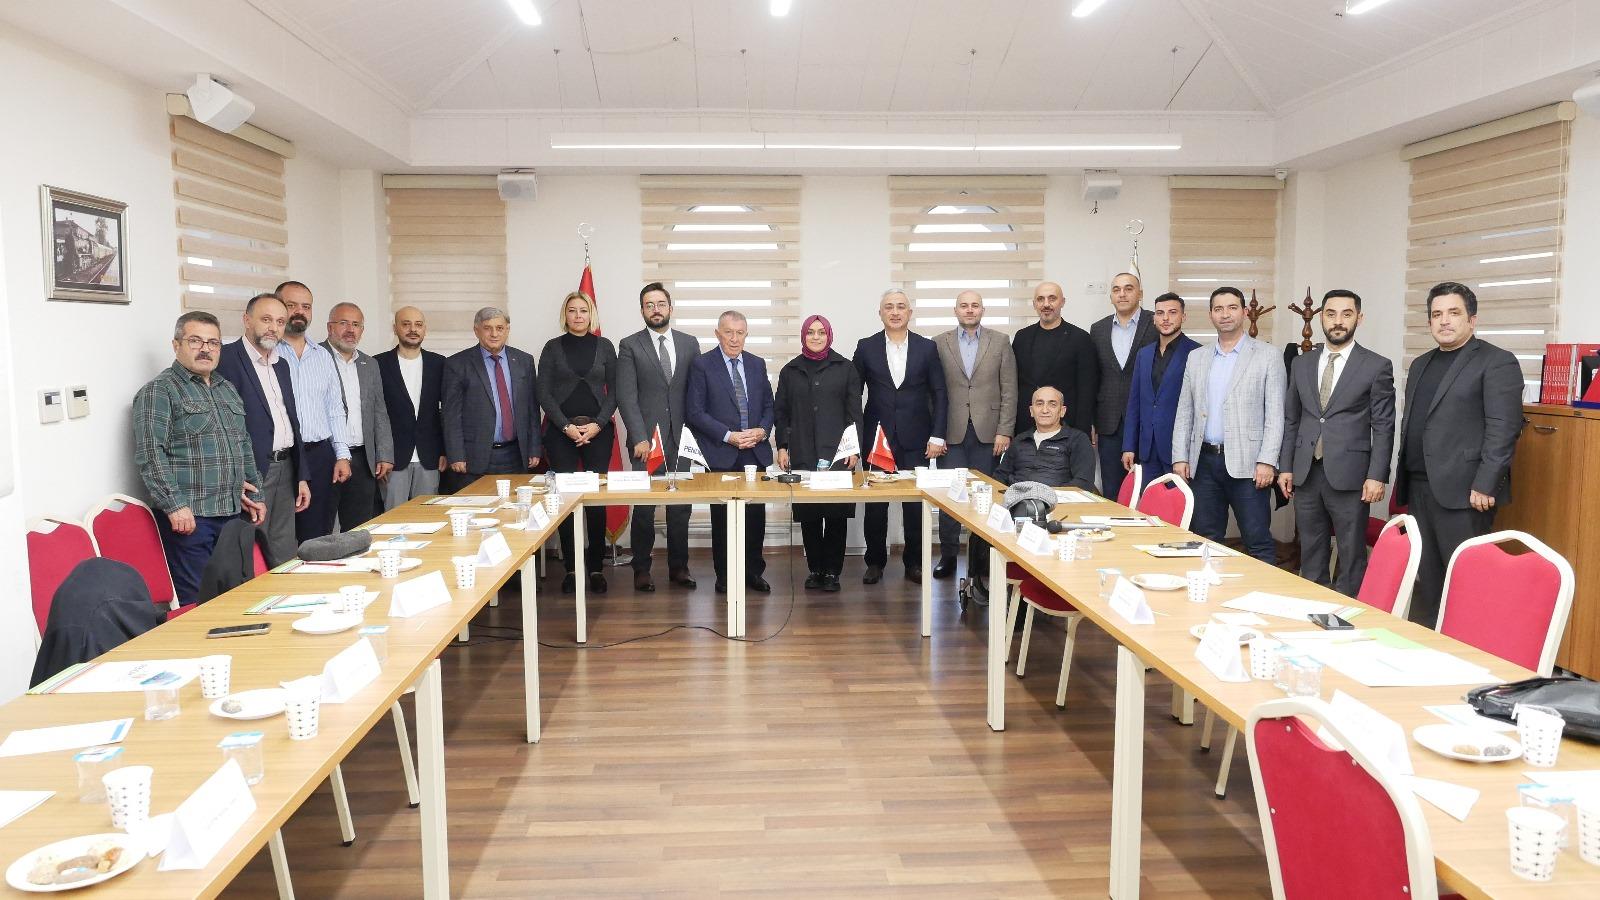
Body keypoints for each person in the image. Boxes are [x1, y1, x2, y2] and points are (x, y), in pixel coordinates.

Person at [1394, 281, 1523, 625]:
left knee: (1465, 583)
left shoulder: (1496, 362)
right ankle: (1428, 644)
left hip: (1466, 493)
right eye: (1437, 314)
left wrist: (1486, 482)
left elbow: (1504, 428)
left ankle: (1467, 646)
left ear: (1472, 319)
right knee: (1427, 581)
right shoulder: (1420, 364)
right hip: (1419, 487)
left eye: (1453, 312)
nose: (1444, 320)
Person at [132, 311, 267, 605]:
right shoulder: (159, 391)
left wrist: (256, 493)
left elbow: (243, 444)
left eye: (213, 343)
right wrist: (175, 506)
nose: (205, 349)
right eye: (195, 341)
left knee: (238, 597)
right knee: (200, 602)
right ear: (176, 345)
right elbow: (151, 455)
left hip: (232, 515)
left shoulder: (226, 389)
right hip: (192, 519)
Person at [1278, 290, 1396, 597]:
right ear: (1321, 318)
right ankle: (1314, 605)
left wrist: (1377, 475)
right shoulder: (1301, 364)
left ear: (1359, 318)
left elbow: (1384, 426)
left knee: (1350, 551)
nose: (1338, 321)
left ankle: (1349, 613)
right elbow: (1292, 419)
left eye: (1346, 314)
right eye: (1331, 314)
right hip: (1306, 471)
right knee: (1310, 547)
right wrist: (1286, 467)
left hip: (1351, 474)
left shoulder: (1376, 365)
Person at [1172, 286, 1286, 564]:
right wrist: (1180, 457)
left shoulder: (1268, 355)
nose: (1225, 314)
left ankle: (1262, 592)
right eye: (1218, 309)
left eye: (1232, 308)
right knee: (1206, 539)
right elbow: (1185, 410)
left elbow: (1275, 414)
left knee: (1257, 541)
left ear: (1244, 312)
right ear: (1211, 315)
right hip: (1203, 463)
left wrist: (1267, 461)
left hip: (1250, 465)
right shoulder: (1197, 357)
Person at [853, 289, 947, 585]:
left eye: (901, 307)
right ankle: (875, 562)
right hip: (877, 437)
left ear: (910, 312)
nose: (895, 312)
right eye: (889, 307)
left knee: (915, 505)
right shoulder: (866, 347)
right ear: (880, 313)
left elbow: (940, 393)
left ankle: (914, 563)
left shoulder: (927, 347)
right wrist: (853, 439)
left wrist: (938, 435)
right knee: (875, 505)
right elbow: (853, 394)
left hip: (917, 438)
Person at [215, 293, 309, 565]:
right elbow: (222, 426)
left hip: (286, 468)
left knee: (285, 549)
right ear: (247, 320)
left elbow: (291, 421)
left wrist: (301, 475)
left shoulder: (282, 364)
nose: (273, 328)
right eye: (266, 319)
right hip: (251, 471)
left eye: (280, 322)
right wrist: (235, 477)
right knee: (251, 553)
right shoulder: (225, 360)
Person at [616, 282, 699, 592]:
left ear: (670, 308)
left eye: (660, 303)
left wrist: (695, 437)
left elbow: (696, 392)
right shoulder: (630, 345)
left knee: (680, 507)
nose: (655, 309)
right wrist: (639, 436)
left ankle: (679, 567)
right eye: (649, 305)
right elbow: (626, 396)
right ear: (642, 310)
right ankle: (641, 568)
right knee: (644, 507)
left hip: (682, 439)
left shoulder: (689, 343)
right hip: (646, 443)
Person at [931, 290, 1016, 588]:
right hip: (951, 433)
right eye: (964, 306)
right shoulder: (938, 343)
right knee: (950, 497)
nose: (969, 310)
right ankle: (948, 555)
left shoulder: (1000, 341)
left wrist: (1004, 430)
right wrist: (935, 433)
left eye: (975, 305)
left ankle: (981, 559)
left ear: (983, 309)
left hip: (989, 433)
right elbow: (933, 392)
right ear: (955, 310)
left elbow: (1010, 389)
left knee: (985, 498)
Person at [685, 310, 774, 595]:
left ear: (746, 334)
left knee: (755, 518)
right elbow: (695, 412)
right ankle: (724, 575)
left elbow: (769, 406)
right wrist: (729, 436)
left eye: (740, 333)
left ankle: (753, 572)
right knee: (723, 519)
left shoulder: (757, 364)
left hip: (755, 452)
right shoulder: (702, 365)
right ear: (717, 334)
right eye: (728, 332)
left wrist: (762, 431)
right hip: (721, 454)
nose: (734, 339)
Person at [538, 291, 618, 595]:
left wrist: (597, 425)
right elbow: (543, 392)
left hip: (598, 431)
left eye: (583, 310)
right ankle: (571, 568)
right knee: (566, 501)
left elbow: (615, 391)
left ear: (591, 314)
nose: (578, 315)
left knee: (595, 502)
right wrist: (566, 427)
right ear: (565, 315)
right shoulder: (552, 347)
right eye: (572, 310)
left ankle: (595, 568)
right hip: (561, 433)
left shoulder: (605, 346)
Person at [775, 315, 862, 592]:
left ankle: (833, 572)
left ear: (829, 336)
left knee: (836, 514)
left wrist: (854, 449)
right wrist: (782, 446)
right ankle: (815, 570)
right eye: (810, 332)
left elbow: (854, 413)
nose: (815, 337)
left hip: (838, 453)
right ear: (803, 336)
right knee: (810, 515)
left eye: (821, 332)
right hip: (802, 451)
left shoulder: (845, 368)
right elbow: (781, 413)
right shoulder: (790, 371)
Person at [274, 280, 352, 541]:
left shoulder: (322, 355)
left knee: (318, 534)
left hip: (319, 456)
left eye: (306, 306)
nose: (299, 311)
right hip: (283, 458)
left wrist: (342, 455)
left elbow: (335, 409)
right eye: (291, 305)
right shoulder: (268, 353)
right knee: (280, 537)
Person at [441, 307, 542, 493]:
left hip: (516, 455)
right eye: (487, 328)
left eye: (499, 328)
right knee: (477, 507)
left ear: (507, 330)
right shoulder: (457, 364)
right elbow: (451, 415)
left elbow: (532, 410)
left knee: (514, 507)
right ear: (476, 330)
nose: (494, 334)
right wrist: (456, 454)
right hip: (473, 458)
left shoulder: (524, 361)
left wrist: (534, 448)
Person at [323, 302, 394, 528]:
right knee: (322, 525)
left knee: (359, 526)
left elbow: (379, 410)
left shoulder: (369, 364)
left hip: (363, 458)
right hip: (327, 456)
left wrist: (384, 454)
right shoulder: (315, 357)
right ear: (330, 327)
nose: (350, 330)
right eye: (344, 323)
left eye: (356, 325)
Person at [1091, 273, 1158, 500]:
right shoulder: (1098, 329)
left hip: (1147, 422)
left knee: (1148, 491)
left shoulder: (1156, 323)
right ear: (1111, 296)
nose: (1122, 294)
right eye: (1116, 289)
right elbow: (1094, 376)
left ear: (1140, 294)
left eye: (1128, 288)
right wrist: (1092, 420)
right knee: (1113, 492)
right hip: (1109, 422)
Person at [1122, 292, 1200, 483]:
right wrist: (1129, 446)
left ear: (1183, 316)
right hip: (1147, 449)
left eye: (1172, 312)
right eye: (1160, 313)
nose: (1166, 318)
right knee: (1147, 500)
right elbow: (1134, 403)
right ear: (1154, 318)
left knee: (1178, 501)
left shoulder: (1197, 353)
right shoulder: (1144, 354)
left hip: (1179, 451)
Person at [374, 306, 446, 508]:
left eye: (418, 324)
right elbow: (374, 414)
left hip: (430, 457)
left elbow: (446, 412)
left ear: (425, 329)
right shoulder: (377, 364)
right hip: (392, 459)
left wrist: (444, 450)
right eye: (406, 324)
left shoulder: (439, 363)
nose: (413, 329)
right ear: (395, 328)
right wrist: (381, 454)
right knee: (393, 518)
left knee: (428, 517)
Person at [1012, 281, 1098, 439]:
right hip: (1025, 426)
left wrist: (1082, 431)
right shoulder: (1021, 337)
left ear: (1062, 302)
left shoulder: (1080, 338)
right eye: (1040, 299)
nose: (1046, 304)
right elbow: (1013, 384)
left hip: (1067, 427)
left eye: (1052, 298)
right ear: (1034, 304)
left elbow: (1086, 389)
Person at [995, 387, 1098, 492]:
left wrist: (1047, 497)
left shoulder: (1077, 439)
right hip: (1014, 498)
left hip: (1057, 500)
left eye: (1052, 404)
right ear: (1031, 411)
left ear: (1062, 411)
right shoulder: (1020, 440)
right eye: (1039, 404)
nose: (1045, 410)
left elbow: (1083, 483)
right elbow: (1000, 476)